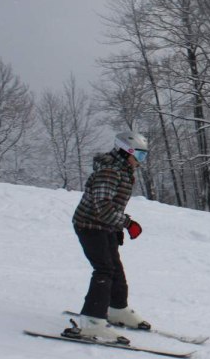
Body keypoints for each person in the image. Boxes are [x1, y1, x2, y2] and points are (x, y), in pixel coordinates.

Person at [64, 130, 151, 344]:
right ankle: (92, 321)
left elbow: (110, 207)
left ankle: (117, 309)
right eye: (139, 155)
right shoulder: (110, 172)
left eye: (144, 156)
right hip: (90, 225)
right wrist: (126, 223)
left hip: (104, 226)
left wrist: (117, 227)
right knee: (104, 270)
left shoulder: (122, 170)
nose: (141, 161)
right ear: (125, 151)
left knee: (115, 268)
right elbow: (102, 206)